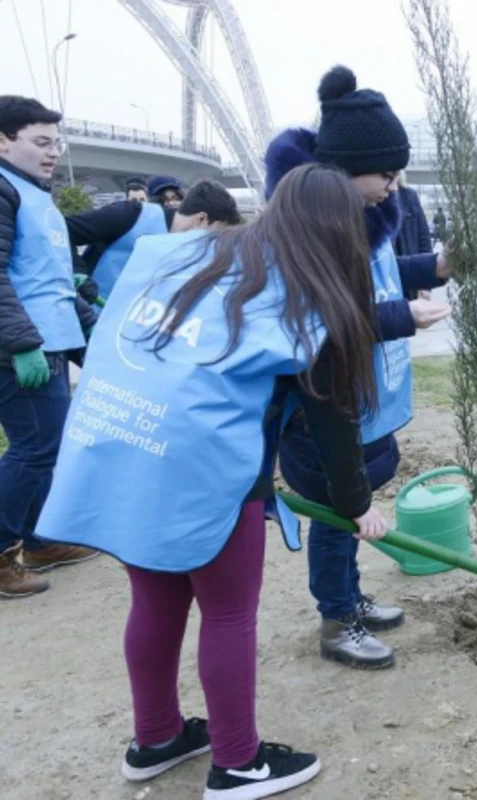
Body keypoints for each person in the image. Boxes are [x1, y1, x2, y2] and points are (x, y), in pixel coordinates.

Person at [35, 163, 386, 799]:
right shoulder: (308, 294)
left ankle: (158, 737)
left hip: (126, 439)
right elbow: (333, 421)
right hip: (206, 467)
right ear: (340, 231)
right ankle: (237, 763)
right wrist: (359, 506)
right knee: (227, 612)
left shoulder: (197, 249)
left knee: (155, 600)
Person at [267, 65, 452, 670]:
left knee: (350, 519)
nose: (394, 187)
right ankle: (336, 619)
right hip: (326, 418)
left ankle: (348, 597)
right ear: (344, 172)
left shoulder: (359, 223)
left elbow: (381, 278)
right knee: (336, 518)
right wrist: (405, 318)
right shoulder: (310, 238)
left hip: (359, 407)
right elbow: (330, 325)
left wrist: (435, 267)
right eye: (386, 175)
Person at [0, 95, 100, 598]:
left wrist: (98, 327)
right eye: (40, 142)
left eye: (55, 143)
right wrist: (21, 343)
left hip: (51, 343)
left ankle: (38, 540)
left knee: (48, 447)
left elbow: (52, 283)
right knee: (33, 448)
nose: (52, 152)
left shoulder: (36, 194)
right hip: (21, 352)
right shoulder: (3, 191)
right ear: (3, 140)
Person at [68, 179, 242, 308]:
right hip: (89, 325)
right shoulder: (130, 215)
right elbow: (63, 230)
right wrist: (79, 275)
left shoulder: (193, 253)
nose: (214, 243)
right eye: (216, 234)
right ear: (201, 218)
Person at [393, 171, 433, 301]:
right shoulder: (371, 201)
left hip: (410, 282)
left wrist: (426, 285)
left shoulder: (409, 197)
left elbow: (424, 241)